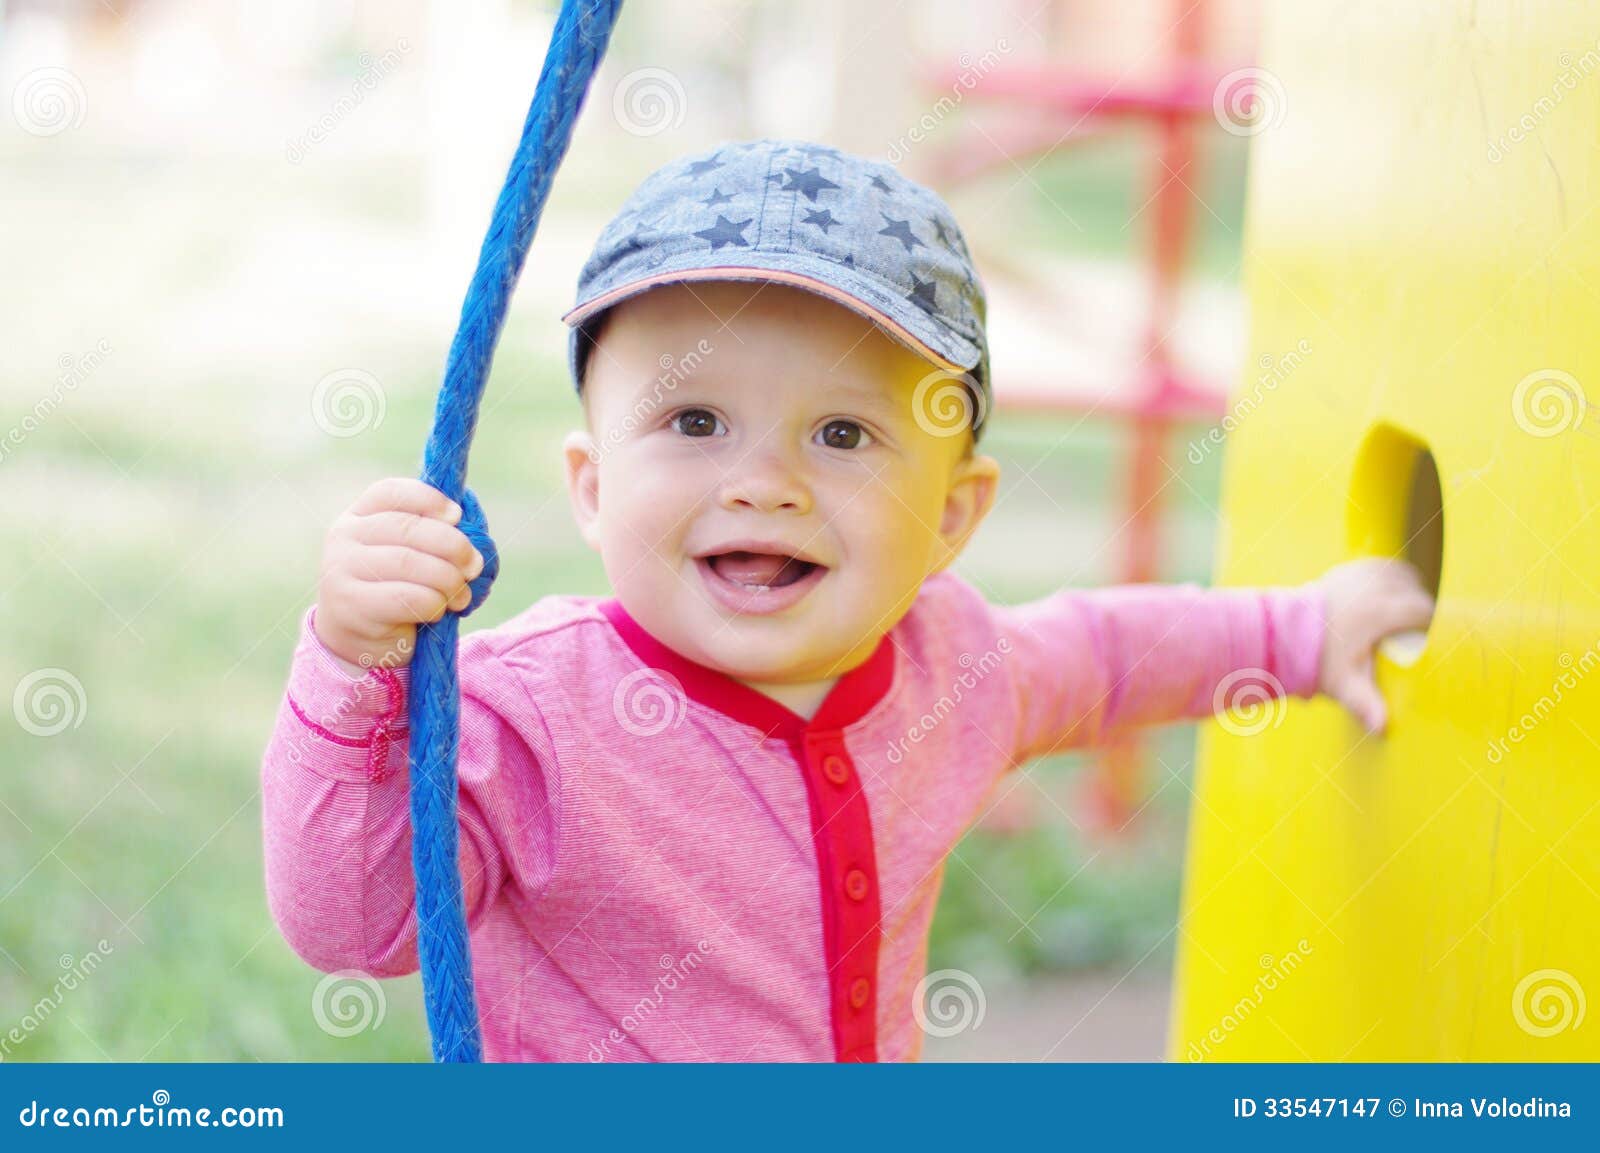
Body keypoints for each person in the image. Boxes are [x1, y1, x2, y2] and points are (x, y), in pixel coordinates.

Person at [260, 138, 1435, 1061]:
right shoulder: (531, 716)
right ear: (591, 484)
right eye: (694, 421)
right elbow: (357, 925)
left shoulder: (954, 665)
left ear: (952, 519)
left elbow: (1109, 653)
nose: (764, 483)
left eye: (841, 433)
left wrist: (1300, 630)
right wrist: (354, 664)